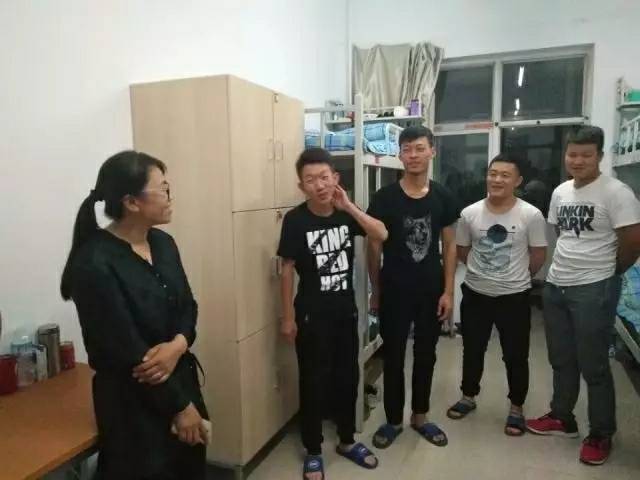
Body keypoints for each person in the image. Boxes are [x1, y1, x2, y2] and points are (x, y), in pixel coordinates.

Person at [60, 151, 209, 479]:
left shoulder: (163, 243)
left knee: (190, 466)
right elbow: (129, 351)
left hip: (181, 380)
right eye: (163, 189)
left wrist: (179, 345)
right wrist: (180, 407)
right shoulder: (94, 263)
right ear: (131, 202)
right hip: (133, 402)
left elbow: (188, 306)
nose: (170, 197)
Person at [526, 126, 640, 465]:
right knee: (561, 358)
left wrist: (609, 271)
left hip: (595, 286)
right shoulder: (561, 191)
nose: (578, 161)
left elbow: (633, 241)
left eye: (586, 155)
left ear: (599, 156)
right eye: (572, 154)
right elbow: (561, 233)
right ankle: (563, 417)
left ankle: (601, 433)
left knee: (594, 365)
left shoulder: (617, 193)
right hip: (557, 283)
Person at [278, 148, 387, 480]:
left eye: (324, 177)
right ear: (302, 186)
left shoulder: (345, 215)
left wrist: (349, 206)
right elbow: (287, 268)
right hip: (310, 315)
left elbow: (381, 233)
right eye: (310, 180)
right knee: (313, 382)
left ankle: (347, 440)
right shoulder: (295, 220)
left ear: (335, 179)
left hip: (345, 313)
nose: (319, 185)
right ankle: (313, 449)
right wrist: (287, 317)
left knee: (347, 378)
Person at [367, 125, 458, 449]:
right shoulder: (384, 198)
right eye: (407, 149)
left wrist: (448, 291)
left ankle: (420, 416)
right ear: (400, 154)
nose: (413, 155)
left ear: (432, 151)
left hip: (430, 289)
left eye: (420, 148)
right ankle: (393, 420)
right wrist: (375, 290)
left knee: (426, 355)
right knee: (393, 357)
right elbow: (373, 247)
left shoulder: (443, 196)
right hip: (393, 288)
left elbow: (450, 246)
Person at [446, 153, 547, 436]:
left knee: (515, 355)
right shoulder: (470, 213)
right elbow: (463, 250)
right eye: (493, 173)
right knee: (472, 349)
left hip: (514, 296)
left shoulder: (530, 215)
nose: (497, 179)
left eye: (505, 175)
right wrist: (484, 272)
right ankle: (468, 396)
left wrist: (516, 277)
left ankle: (516, 407)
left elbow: (538, 255)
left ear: (518, 180)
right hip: (476, 293)